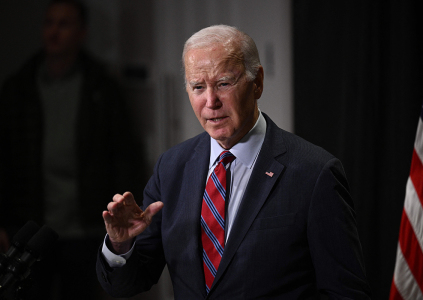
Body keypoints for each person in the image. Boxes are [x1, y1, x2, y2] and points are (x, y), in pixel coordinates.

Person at [96, 25, 371, 299]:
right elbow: (128, 284)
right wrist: (121, 245)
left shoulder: (314, 173)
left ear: (258, 82)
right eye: (198, 87)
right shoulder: (171, 168)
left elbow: (346, 293)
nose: (211, 101)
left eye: (224, 83)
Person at [0, 0, 146, 299]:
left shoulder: (101, 88)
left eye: (64, 24)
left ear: (81, 32)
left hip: (86, 227)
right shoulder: (19, 87)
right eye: (49, 23)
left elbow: (124, 155)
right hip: (32, 226)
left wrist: (122, 216)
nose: (54, 32)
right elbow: (4, 160)